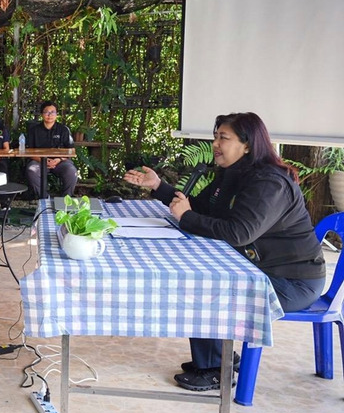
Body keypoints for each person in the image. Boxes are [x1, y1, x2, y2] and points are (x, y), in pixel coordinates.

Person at [124, 112, 326, 392]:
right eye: (215, 137)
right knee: (201, 277)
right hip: (258, 268)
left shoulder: (269, 183)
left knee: (208, 288)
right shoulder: (233, 173)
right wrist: (159, 187)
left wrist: (187, 218)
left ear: (247, 145)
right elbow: (199, 207)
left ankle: (216, 370)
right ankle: (219, 357)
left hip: (291, 281)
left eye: (224, 138)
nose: (215, 144)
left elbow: (239, 233)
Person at [25, 100, 77, 196]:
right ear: (42, 114)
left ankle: (66, 199)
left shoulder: (64, 130)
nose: (50, 115)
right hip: (39, 161)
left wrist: (59, 159)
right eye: (46, 112)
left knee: (71, 171)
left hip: (60, 162)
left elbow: (71, 150)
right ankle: (44, 198)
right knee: (31, 170)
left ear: (57, 114)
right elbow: (28, 151)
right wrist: (43, 160)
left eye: (53, 112)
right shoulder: (34, 130)